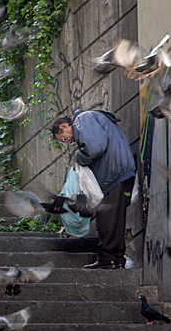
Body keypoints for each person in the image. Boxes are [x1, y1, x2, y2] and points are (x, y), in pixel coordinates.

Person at [51, 108, 136, 269]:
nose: (69, 142)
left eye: (64, 139)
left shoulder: (83, 119)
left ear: (63, 126)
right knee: (115, 219)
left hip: (114, 173)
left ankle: (107, 259)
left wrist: (79, 158)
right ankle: (116, 259)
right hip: (121, 173)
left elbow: (95, 147)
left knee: (106, 218)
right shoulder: (91, 118)